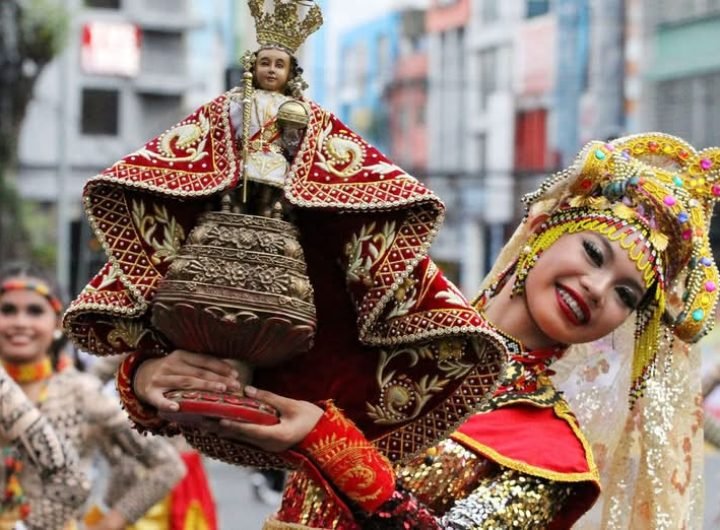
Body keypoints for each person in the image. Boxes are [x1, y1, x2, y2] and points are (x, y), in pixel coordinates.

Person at [133, 133, 717, 529]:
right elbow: (248, 362)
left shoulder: (553, 453)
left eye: (625, 294)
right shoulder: (401, 317)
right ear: (544, 234)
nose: (596, 288)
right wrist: (153, 377)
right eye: (593, 253)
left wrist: (328, 445)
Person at [0, 262, 187, 530]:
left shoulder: (80, 392)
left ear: (57, 323)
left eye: (34, 311)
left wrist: (109, 521)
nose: (20, 322)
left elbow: (167, 466)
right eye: (7, 310)